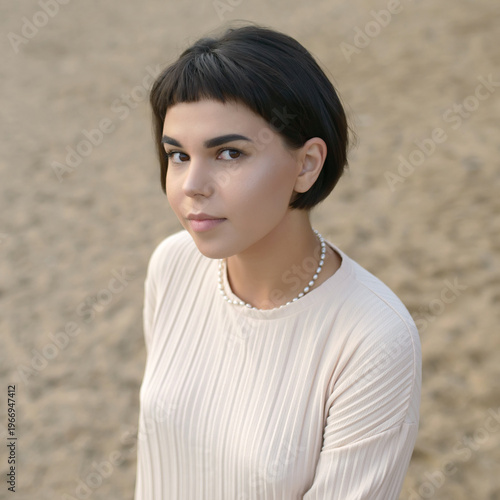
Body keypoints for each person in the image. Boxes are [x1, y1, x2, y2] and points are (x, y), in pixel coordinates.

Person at [134, 23, 421, 500]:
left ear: (307, 164)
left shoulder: (374, 338)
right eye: (178, 156)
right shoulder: (173, 266)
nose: (191, 186)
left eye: (228, 153)